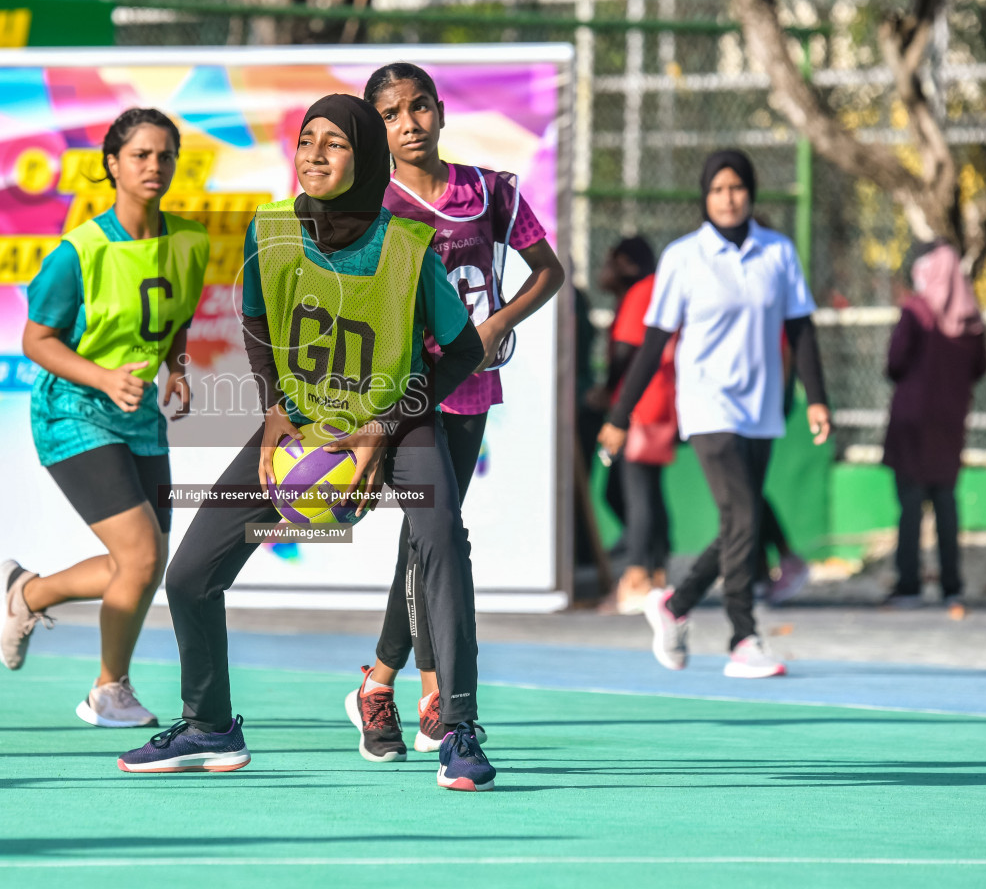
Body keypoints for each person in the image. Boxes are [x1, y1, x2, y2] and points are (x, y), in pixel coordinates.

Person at [117, 93, 497, 792]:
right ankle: (210, 724)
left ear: (366, 160)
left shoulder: (407, 250)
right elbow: (258, 325)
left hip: (397, 421)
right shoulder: (270, 234)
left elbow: (465, 348)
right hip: (304, 421)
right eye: (305, 140)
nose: (314, 154)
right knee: (190, 573)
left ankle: (461, 728)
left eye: (335, 143)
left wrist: (387, 424)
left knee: (440, 539)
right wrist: (273, 414)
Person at [344, 62, 564, 761]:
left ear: (439, 110)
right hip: (403, 395)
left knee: (428, 541)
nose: (408, 124)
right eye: (389, 114)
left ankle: (380, 681)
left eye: (418, 108)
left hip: (467, 386)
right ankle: (425, 692)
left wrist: (497, 324)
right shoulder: (369, 203)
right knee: (433, 534)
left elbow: (549, 271)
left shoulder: (490, 191)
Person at [0, 108, 208, 728]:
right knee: (140, 558)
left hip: (139, 414)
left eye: (165, 155)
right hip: (72, 410)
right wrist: (103, 377)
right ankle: (108, 691)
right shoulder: (79, 252)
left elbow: (174, 319)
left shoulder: (189, 241)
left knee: (141, 565)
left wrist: (180, 370)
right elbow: (37, 340)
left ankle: (26, 594)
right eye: (140, 155)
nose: (154, 166)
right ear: (112, 164)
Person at [598, 149, 832, 679]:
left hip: (762, 406)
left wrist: (816, 397)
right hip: (706, 406)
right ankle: (743, 637)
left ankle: (675, 604)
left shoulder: (778, 252)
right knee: (744, 517)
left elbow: (801, 329)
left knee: (737, 523)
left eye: (737, 188)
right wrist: (619, 414)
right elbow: (654, 342)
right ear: (705, 197)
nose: (728, 198)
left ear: (751, 193)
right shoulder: (684, 257)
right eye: (718, 189)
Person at [882, 241, 986, 616]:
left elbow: (894, 362)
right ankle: (951, 587)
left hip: (912, 424)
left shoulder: (916, 312)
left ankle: (908, 584)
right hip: (949, 423)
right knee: (946, 503)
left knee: (910, 505)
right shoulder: (971, 318)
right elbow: (981, 367)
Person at [587, 236, 675, 615]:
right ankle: (656, 572)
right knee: (646, 491)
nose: (602, 271)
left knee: (634, 489)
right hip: (655, 401)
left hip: (640, 404)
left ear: (624, 263)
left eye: (608, 261)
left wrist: (610, 396)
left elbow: (626, 349)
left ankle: (638, 575)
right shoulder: (654, 288)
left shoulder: (642, 290)